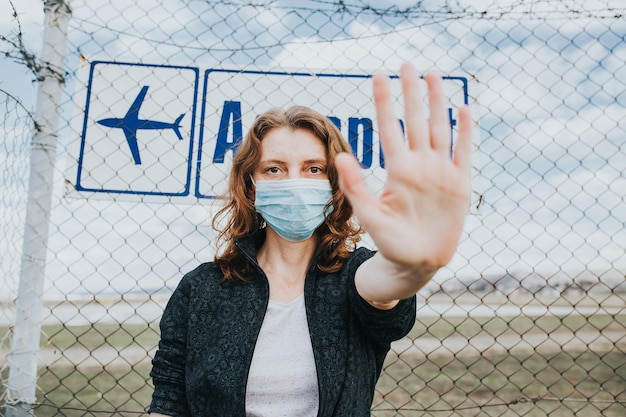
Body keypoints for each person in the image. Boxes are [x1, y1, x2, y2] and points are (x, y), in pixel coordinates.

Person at [148, 62, 473, 417]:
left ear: (335, 183)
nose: (293, 182)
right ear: (250, 185)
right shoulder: (201, 288)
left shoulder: (355, 275)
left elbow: (387, 284)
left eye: (313, 168)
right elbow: (169, 401)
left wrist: (411, 264)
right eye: (274, 168)